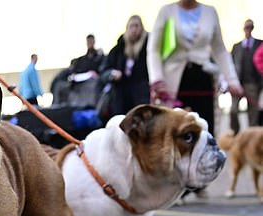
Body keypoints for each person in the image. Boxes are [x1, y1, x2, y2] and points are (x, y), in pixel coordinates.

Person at [147, 0, 243, 136]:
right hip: (172, 84)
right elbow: (154, 49)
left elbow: (220, 50)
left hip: (202, 79)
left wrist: (233, 80)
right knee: (172, 132)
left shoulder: (210, 12)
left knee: (204, 129)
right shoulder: (166, 11)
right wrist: (157, 81)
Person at [100, 15, 150, 117]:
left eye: (137, 26)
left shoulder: (148, 47)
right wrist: (112, 74)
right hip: (120, 95)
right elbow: (104, 70)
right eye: (131, 26)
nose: (134, 30)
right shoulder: (119, 48)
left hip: (141, 93)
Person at [229, 19, 262, 133]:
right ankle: (235, 134)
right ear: (243, 29)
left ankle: (251, 138)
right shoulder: (236, 46)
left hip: (252, 84)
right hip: (237, 83)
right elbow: (230, 63)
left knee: (253, 114)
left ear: (253, 28)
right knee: (233, 110)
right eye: (246, 27)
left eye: (250, 27)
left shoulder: (260, 44)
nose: (248, 29)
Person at [67, 34, 106, 108]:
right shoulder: (81, 60)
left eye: (91, 41)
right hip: (80, 82)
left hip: (93, 82)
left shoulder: (99, 57)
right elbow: (74, 72)